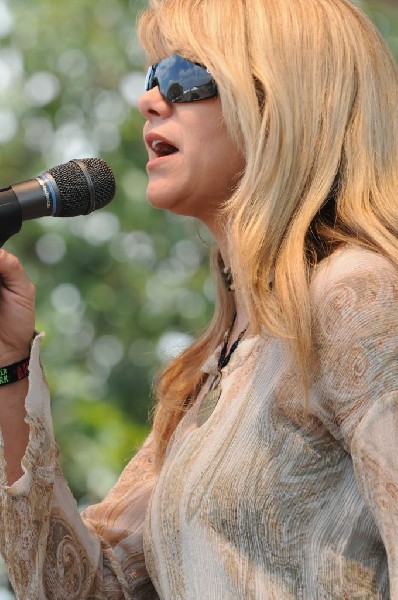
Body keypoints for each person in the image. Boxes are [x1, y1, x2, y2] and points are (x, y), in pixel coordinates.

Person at [0, 0, 397, 597]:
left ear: (282, 98)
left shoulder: (355, 294)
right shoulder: (214, 367)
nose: (150, 99)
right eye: (152, 77)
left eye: (186, 75)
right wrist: (11, 369)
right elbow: (80, 591)